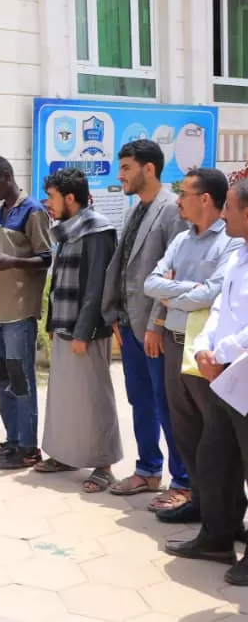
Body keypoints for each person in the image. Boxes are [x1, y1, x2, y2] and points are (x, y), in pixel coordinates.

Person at [143, 168, 243, 522]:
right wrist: (186, 294)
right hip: (176, 343)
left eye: (184, 193)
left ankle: (227, 513)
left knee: (217, 436)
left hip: (207, 353)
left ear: (205, 199)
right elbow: (151, 282)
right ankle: (200, 502)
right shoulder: (182, 239)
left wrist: (175, 294)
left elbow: (213, 292)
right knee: (183, 427)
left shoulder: (231, 241)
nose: (178, 200)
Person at [164, 178, 248, 584]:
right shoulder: (239, 257)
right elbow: (218, 308)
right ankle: (217, 536)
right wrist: (205, 346)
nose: (225, 214)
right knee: (215, 458)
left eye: (230, 208)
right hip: (223, 377)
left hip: (240, 372)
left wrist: (224, 351)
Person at [102, 140, 187, 503]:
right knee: (141, 401)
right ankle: (148, 470)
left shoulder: (171, 210)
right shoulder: (135, 209)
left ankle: (182, 482)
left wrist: (157, 323)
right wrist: (116, 317)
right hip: (128, 323)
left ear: (148, 169)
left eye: (125, 168)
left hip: (155, 328)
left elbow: (175, 272)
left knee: (168, 404)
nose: (120, 175)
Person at [36, 168, 122, 492]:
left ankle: (103, 464)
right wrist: (53, 325)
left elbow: (97, 285)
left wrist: (83, 332)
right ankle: (64, 455)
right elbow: (59, 281)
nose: (48, 202)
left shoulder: (98, 230)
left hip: (86, 331)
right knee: (64, 399)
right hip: (64, 327)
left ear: (70, 198)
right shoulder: (68, 229)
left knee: (94, 398)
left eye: (53, 196)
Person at [0, 155, 53, 470]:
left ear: (7, 176)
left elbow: (46, 257)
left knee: (22, 381)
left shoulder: (32, 212)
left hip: (18, 312)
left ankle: (29, 446)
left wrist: (12, 262)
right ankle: (13, 437)